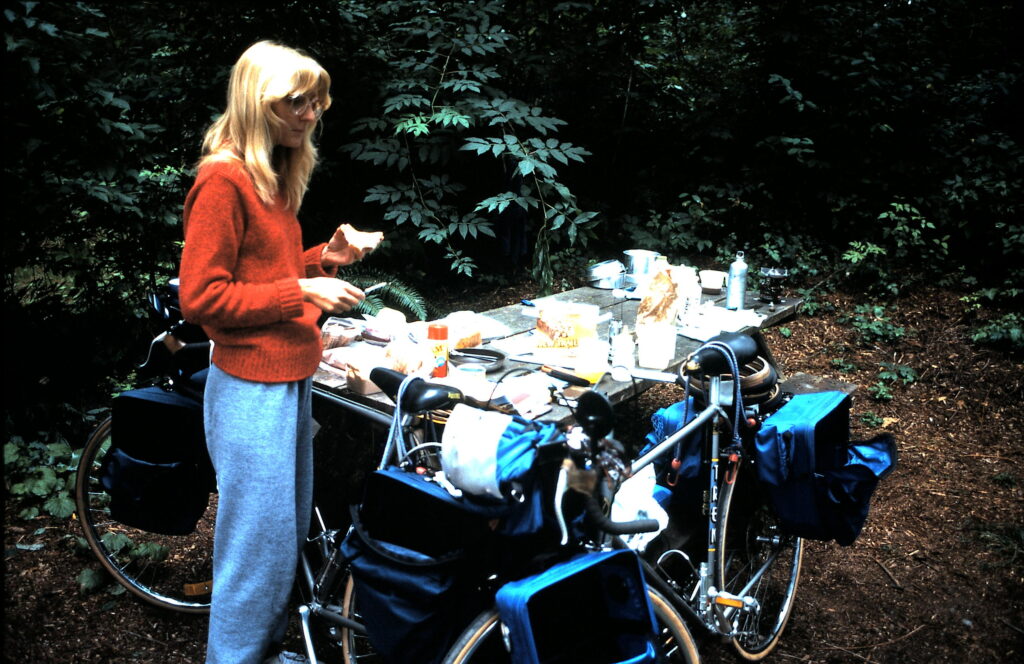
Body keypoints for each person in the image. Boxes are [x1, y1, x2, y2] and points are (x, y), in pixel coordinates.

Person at [178, 40, 382, 664]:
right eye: (296, 101)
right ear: (257, 101)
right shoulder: (223, 178)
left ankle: (261, 650)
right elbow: (203, 298)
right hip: (247, 386)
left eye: (317, 101)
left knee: (283, 531)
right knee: (256, 543)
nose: (311, 112)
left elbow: (263, 272)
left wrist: (324, 258)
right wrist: (302, 289)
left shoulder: (270, 176)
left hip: (287, 375)